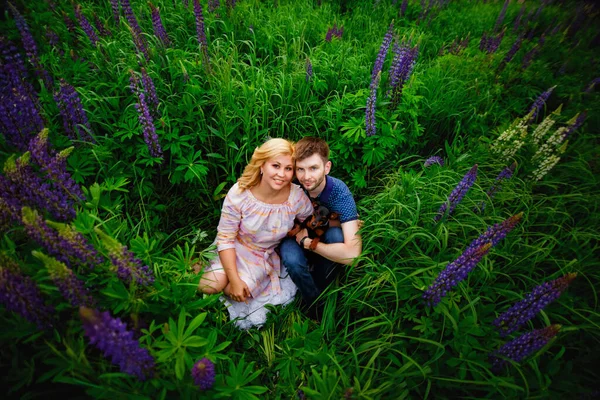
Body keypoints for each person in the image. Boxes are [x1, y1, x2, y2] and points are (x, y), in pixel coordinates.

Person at [198, 138, 314, 329]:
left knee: (242, 293)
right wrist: (233, 278)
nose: (281, 174)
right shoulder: (240, 193)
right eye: (275, 166)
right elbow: (226, 238)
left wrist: (300, 231)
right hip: (234, 246)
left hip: (260, 255)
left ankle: (228, 282)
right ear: (262, 165)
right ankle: (200, 270)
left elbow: (310, 218)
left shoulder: (295, 197)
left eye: (288, 169)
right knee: (212, 285)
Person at [280, 137, 362, 313]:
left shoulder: (339, 193)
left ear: (327, 167)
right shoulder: (291, 183)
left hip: (318, 238)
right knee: (291, 258)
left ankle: (314, 293)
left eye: (313, 168)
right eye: (300, 169)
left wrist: (309, 244)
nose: (306, 177)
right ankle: (315, 303)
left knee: (336, 236)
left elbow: (353, 256)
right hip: (294, 235)